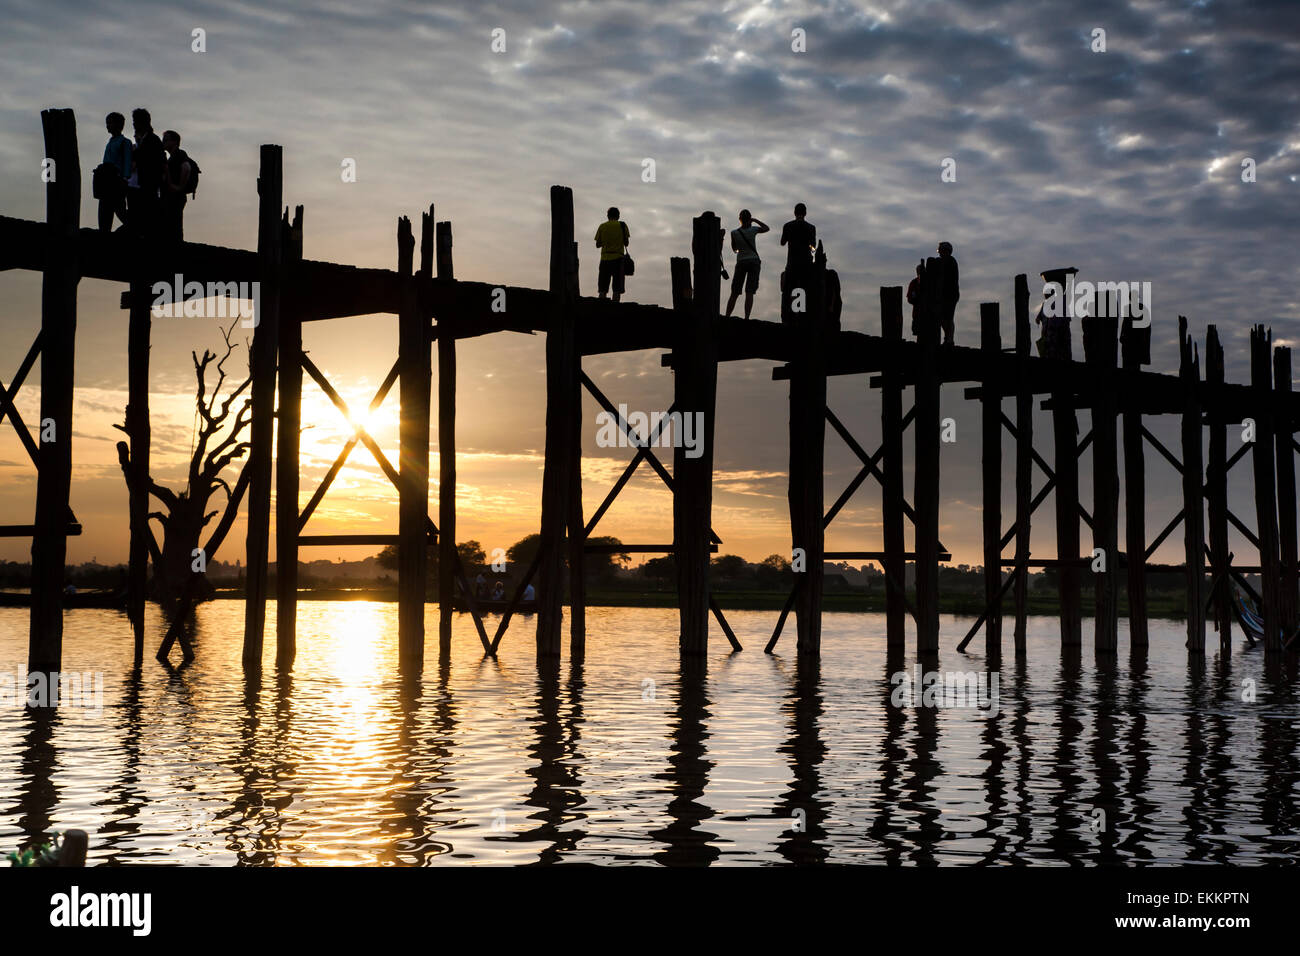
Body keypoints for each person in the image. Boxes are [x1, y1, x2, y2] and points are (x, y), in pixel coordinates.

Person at [127, 108, 164, 239]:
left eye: (135, 121)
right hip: (139, 184)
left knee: (145, 217)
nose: (133, 124)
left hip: (147, 184)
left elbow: (149, 160)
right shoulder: (144, 141)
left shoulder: (152, 140)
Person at [725, 209, 769, 319]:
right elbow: (766, 228)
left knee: (734, 292)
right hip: (754, 261)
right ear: (749, 219)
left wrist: (741, 249)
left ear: (740, 219)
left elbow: (734, 249)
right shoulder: (753, 229)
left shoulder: (734, 233)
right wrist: (755, 220)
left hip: (741, 262)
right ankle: (746, 318)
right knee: (749, 291)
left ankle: (727, 316)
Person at [97, 113, 131, 233]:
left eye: (110, 123)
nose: (107, 126)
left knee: (120, 210)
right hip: (105, 182)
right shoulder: (110, 142)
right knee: (104, 211)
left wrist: (125, 179)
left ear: (119, 125)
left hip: (117, 182)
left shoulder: (125, 142)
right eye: (107, 123)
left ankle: (136, 230)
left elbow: (127, 163)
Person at [161, 130, 194, 242]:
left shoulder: (180, 154)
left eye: (166, 140)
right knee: (172, 224)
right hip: (173, 195)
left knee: (174, 225)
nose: (163, 142)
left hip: (176, 196)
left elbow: (186, 167)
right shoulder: (172, 156)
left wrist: (179, 187)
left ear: (175, 142)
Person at [594, 207, 629, 302]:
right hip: (618, 259)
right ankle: (615, 306)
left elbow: (597, 244)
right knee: (617, 287)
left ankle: (601, 305)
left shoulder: (602, 226)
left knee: (603, 287)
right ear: (618, 216)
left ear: (608, 216)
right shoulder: (622, 225)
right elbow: (626, 243)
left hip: (605, 258)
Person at [934, 241, 959, 346]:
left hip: (950, 295)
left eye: (940, 251)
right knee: (944, 318)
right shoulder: (946, 261)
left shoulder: (950, 261)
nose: (939, 253)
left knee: (947, 318)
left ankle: (949, 339)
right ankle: (948, 338)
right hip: (946, 295)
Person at [905, 261, 923, 336]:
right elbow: (909, 298)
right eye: (918, 271)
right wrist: (917, 301)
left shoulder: (931, 283)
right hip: (917, 313)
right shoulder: (914, 283)